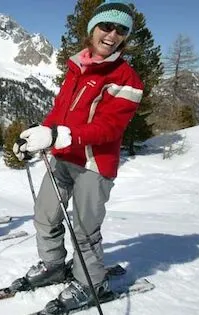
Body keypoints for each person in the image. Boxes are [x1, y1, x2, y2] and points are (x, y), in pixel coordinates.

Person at [12, 0, 143, 312]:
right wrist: (37, 136)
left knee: (84, 231)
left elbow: (109, 128)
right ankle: (54, 266)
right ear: (92, 29)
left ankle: (91, 284)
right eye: (106, 26)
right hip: (61, 157)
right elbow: (60, 112)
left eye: (121, 30)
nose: (112, 34)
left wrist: (59, 136)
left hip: (94, 166)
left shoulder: (127, 79)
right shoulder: (76, 67)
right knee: (45, 216)